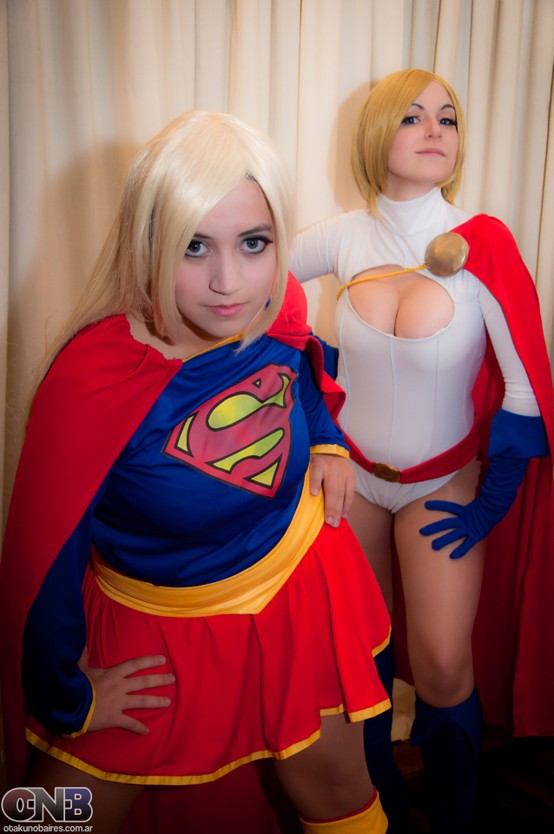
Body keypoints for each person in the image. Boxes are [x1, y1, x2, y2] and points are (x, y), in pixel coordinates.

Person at [0, 110, 393, 834]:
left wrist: (328, 442)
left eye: (254, 243)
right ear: (148, 241)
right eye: (194, 246)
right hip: (155, 637)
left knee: (338, 792)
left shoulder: (276, 301)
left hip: (291, 594)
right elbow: (45, 555)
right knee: (46, 821)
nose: (229, 282)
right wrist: (67, 698)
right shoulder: (93, 380)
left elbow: (302, 369)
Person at [289, 68, 554, 834]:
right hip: (352, 482)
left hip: (442, 485)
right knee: (360, 659)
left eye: (448, 117)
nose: (435, 129)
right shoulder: (343, 235)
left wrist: (491, 504)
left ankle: (455, 817)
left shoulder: (483, 241)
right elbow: (259, 301)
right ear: (378, 135)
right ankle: (379, 808)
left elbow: (524, 389)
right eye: (411, 117)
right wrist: (317, 422)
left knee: (440, 665)